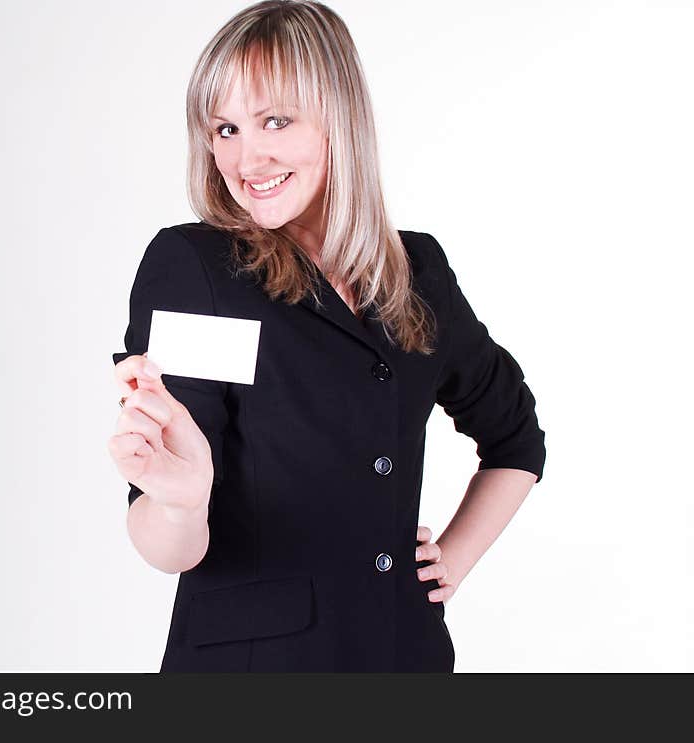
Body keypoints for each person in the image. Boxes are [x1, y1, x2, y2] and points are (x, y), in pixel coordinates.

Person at [110, 0, 546, 672]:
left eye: (274, 120)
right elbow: (169, 544)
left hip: (402, 659)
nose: (244, 156)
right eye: (224, 128)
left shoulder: (417, 272)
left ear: (337, 120)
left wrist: (450, 561)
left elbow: (515, 437)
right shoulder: (197, 270)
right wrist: (179, 498)